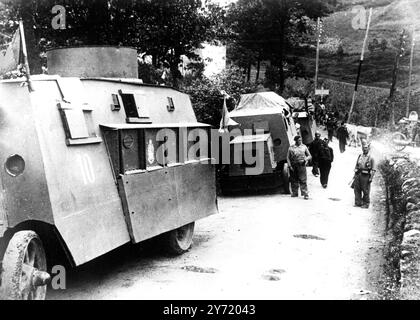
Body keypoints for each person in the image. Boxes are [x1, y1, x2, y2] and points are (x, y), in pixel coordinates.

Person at [287, 136, 312, 200]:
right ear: (295, 141)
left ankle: (305, 193)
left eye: (301, 140)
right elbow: (288, 158)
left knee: (303, 179)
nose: (300, 141)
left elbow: (309, 156)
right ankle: (295, 193)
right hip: (294, 165)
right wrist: (290, 166)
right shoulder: (291, 148)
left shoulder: (304, 147)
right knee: (294, 179)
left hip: (302, 165)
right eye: (299, 140)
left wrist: (305, 159)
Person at [353, 144, 376, 209]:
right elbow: (356, 165)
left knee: (365, 190)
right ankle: (358, 202)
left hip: (365, 176)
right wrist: (354, 175)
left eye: (366, 148)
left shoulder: (371, 158)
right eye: (363, 148)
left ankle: (366, 204)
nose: (364, 149)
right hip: (358, 174)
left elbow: (373, 170)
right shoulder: (360, 156)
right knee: (356, 189)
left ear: (368, 149)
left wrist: (371, 178)